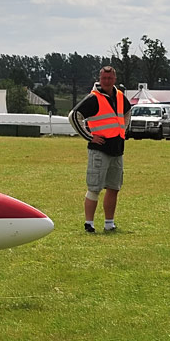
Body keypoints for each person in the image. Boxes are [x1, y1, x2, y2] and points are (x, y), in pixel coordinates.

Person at [68, 65, 131, 233]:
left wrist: (123, 130)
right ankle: (89, 223)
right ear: (99, 79)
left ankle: (109, 223)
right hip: (99, 149)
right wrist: (89, 136)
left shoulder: (120, 96)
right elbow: (74, 116)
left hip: (117, 149)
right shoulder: (93, 98)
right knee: (94, 188)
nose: (107, 81)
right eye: (104, 78)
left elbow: (127, 111)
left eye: (110, 78)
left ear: (114, 79)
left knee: (113, 187)